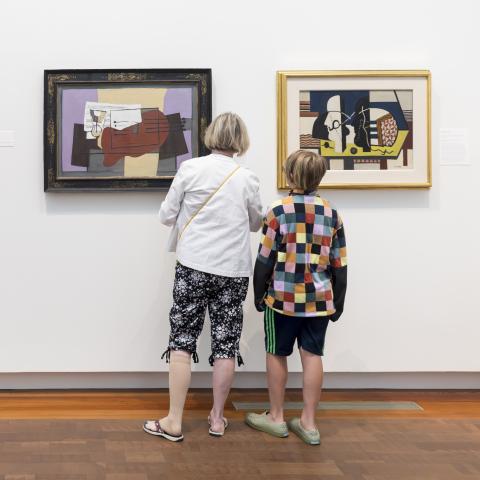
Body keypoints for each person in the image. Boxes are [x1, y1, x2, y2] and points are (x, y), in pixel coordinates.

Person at [143, 112, 263, 442]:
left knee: (182, 339)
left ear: (211, 135)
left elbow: (166, 215)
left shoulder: (191, 169)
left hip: (193, 264)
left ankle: (174, 420)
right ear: (241, 140)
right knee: (226, 343)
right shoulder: (247, 178)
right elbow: (256, 223)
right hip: (232, 270)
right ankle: (217, 418)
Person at [245, 150, 347, 445]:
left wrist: (258, 292)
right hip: (319, 299)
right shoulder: (332, 213)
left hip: (282, 299)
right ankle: (309, 422)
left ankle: (276, 417)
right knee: (312, 355)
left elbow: (265, 259)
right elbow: (340, 263)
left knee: (277, 353)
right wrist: (338, 301)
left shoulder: (277, 211)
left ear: (290, 175)